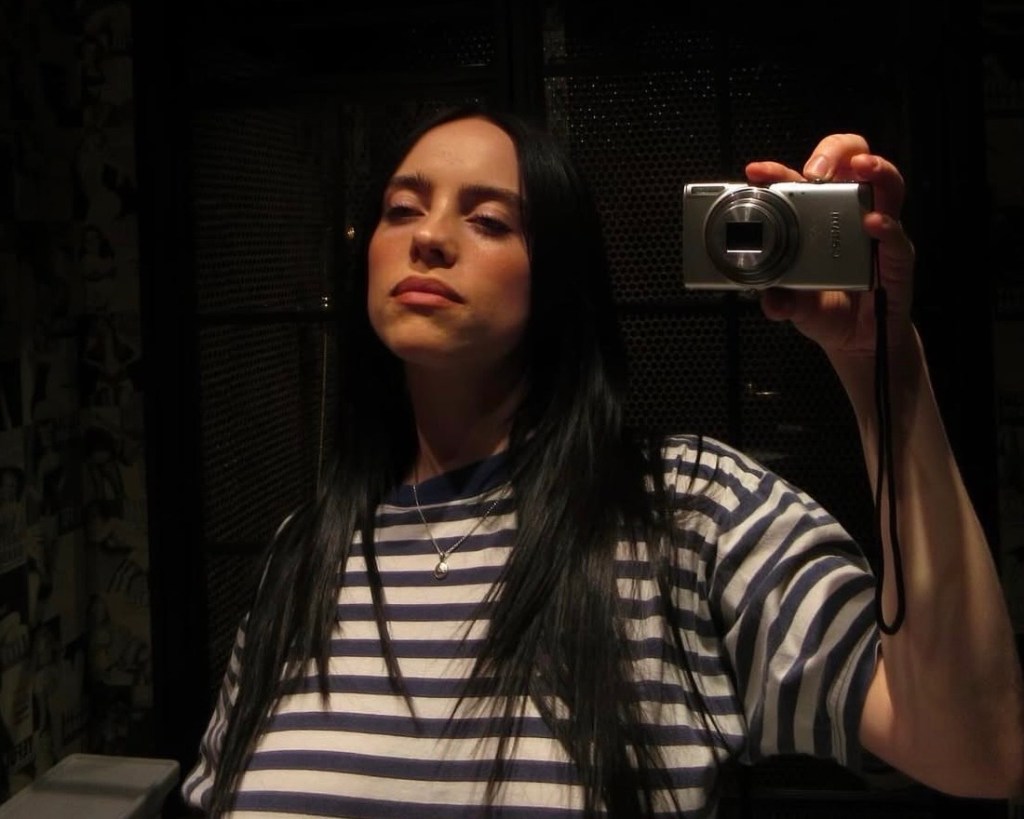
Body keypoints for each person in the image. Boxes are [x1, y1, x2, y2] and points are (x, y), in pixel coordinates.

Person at [182, 104, 1024, 817]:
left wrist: (885, 367)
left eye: (489, 220)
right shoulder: (305, 554)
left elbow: (976, 748)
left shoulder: (689, 511)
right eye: (402, 209)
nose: (429, 237)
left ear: (557, 276)